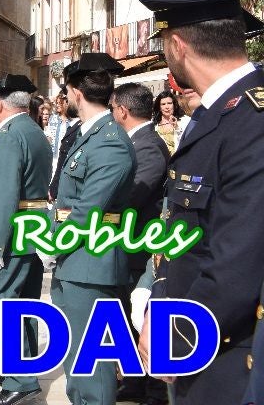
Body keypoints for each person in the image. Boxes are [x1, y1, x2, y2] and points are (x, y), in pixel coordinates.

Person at [128, 0, 264, 405]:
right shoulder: (217, 114)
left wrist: (183, 335)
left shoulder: (250, 121)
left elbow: (238, 260)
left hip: (231, 351)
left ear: (177, 45)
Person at [50, 53, 135, 405]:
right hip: (75, 257)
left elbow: (87, 210)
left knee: (91, 361)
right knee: (76, 355)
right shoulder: (89, 133)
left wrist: (48, 243)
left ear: (74, 92)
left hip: (91, 259)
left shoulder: (110, 139)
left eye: (66, 91)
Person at [0, 74, 52, 405]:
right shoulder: (34, 131)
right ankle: (22, 366)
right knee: (25, 304)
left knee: (1, 301)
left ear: (1, 104)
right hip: (32, 228)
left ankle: (22, 379)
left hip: (11, 232)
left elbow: (5, 195)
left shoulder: (8, 137)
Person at [110, 82, 169, 405]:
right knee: (126, 317)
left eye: (113, 108)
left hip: (141, 247)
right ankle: (133, 382)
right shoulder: (134, 142)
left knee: (145, 318)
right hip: (126, 245)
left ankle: (155, 390)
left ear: (123, 110)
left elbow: (132, 196)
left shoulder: (147, 146)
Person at [151, 89, 182, 155]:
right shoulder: (153, 124)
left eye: (169, 103)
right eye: (163, 104)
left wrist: (177, 128)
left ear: (174, 104)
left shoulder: (184, 120)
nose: (167, 107)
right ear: (159, 107)